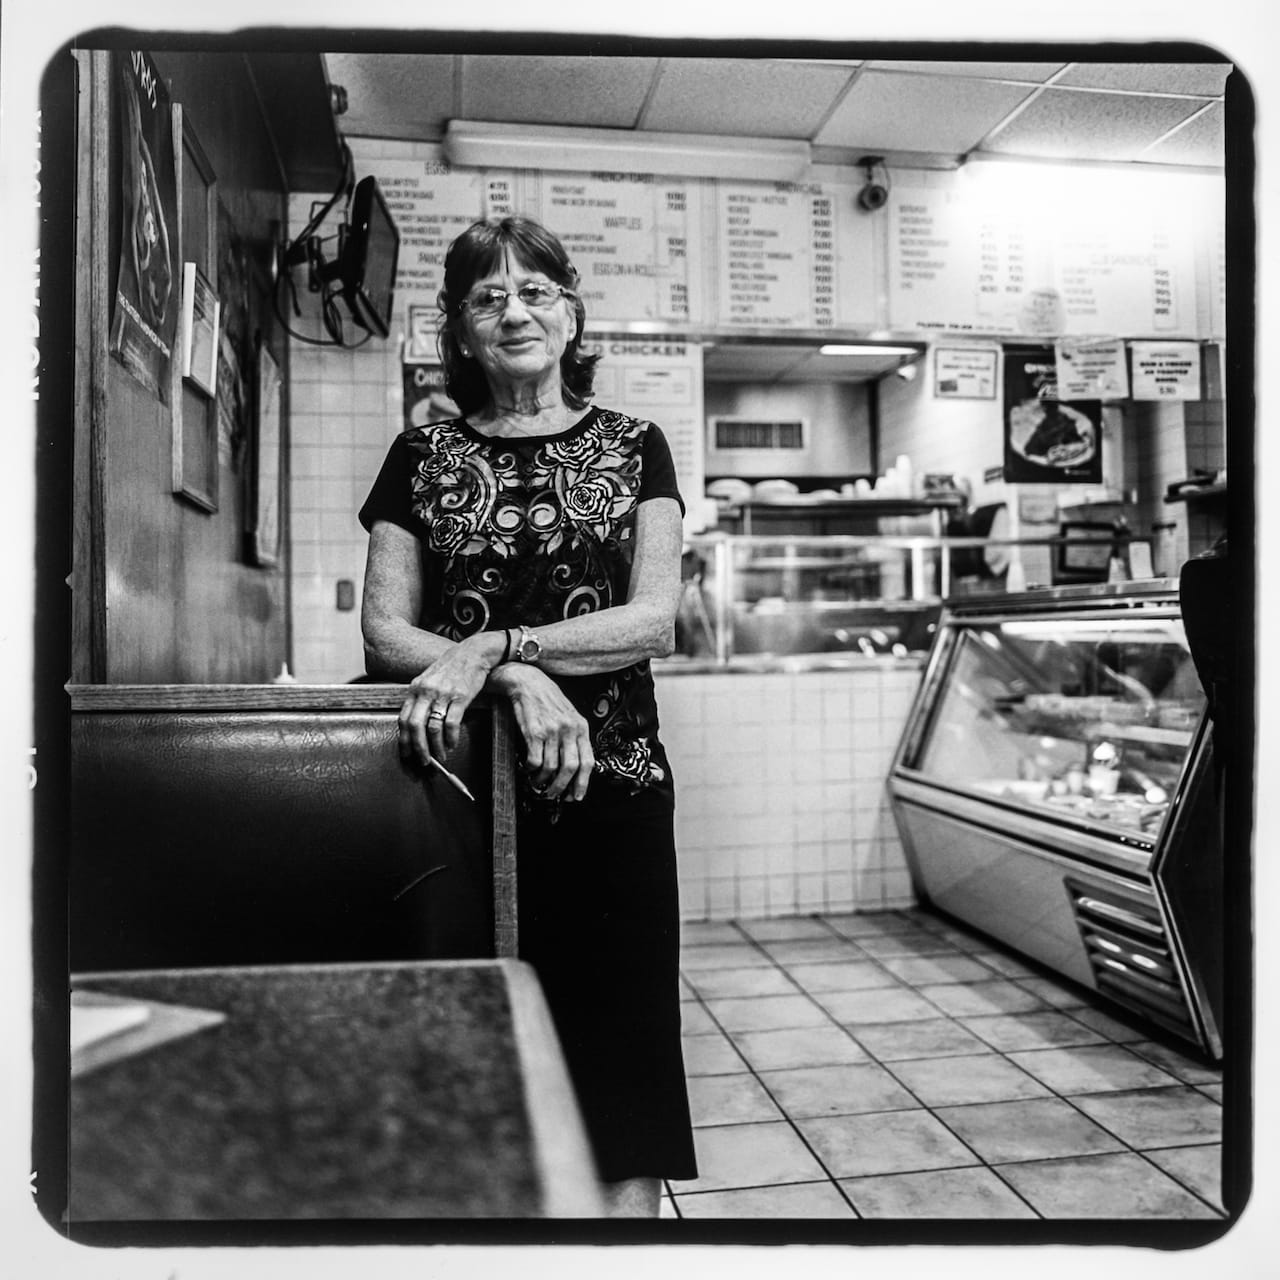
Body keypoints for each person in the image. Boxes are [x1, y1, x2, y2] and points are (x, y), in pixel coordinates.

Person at [358, 215, 698, 1217]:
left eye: (535, 290)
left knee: (618, 1051)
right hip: (451, 796)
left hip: (611, 789)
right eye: (486, 296)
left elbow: (652, 618)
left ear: (572, 311)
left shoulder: (636, 447)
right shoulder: (420, 456)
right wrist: (510, 680)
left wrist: (500, 646)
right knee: (470, 1046)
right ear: (457, 330)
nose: (514, 310)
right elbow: (385, 633)